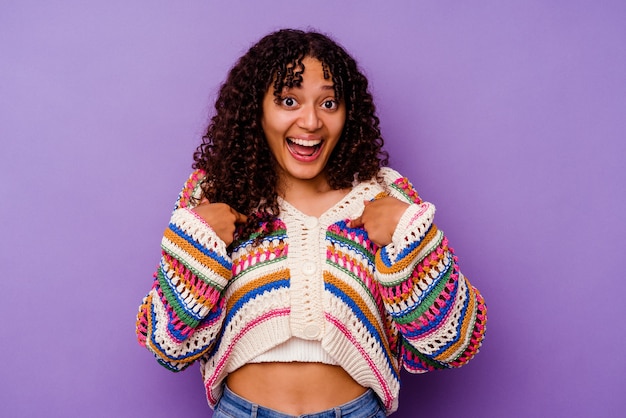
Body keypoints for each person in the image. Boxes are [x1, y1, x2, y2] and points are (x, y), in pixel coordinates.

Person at [136, 28, 487, 417]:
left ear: (347, 113)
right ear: (257, 109)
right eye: (289, 101)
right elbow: (168, 345)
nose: (311, 121)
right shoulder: (215, 196)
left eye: (329, 103)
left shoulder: (385, 195)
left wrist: (410, 233)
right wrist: (197, 241)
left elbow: (454, 344)